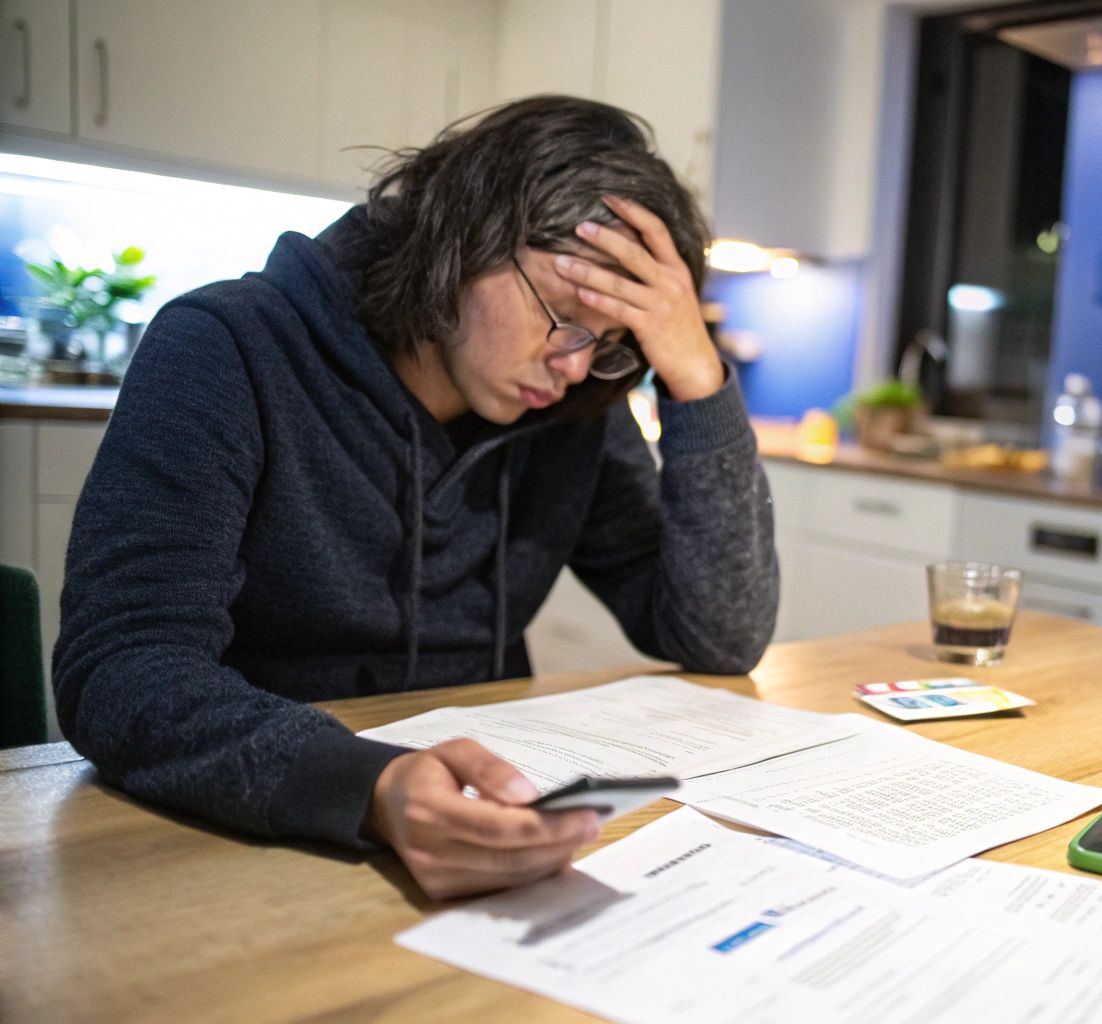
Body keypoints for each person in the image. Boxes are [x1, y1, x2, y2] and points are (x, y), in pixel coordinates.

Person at [52, 96, 778, 899]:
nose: (575, 367)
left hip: (486, 828)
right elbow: (120, 668)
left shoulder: (568, 411)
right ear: (467, 240)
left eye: (611, 347)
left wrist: (697, 381)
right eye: (568, 318)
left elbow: (720, 634)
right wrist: (368, 787)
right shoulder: (227, 349)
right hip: (247, 833)